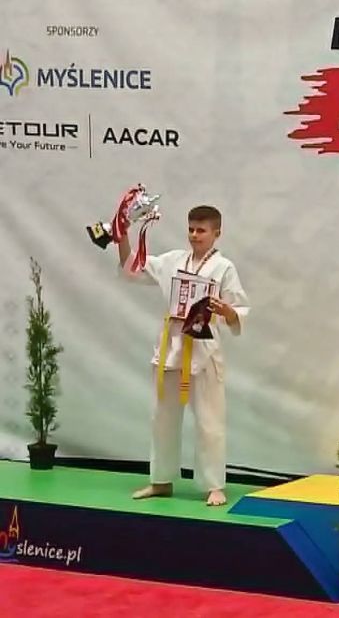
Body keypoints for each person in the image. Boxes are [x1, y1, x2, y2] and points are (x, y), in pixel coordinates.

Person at [116, 205, 250, 507]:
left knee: (209, 421)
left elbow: (239, 310)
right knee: (162, 417)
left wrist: (227, 311)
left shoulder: (224, 268)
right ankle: (160, 480)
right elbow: (131, 264)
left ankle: (214, 485)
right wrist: (121, 234)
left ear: (217, 233)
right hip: (171, 347)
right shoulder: (173, 261)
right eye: (191, 229)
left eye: (201, 230)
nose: (194, 235)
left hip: (203, 349)